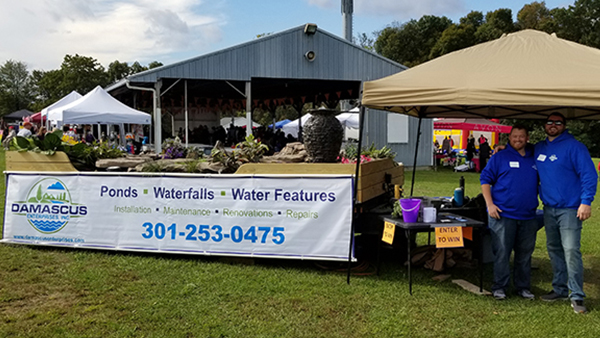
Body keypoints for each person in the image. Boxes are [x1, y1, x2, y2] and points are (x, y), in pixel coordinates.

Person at [535, 112, 597, 314]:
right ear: (545, 125)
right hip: (549, 208)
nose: (553, 125)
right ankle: (559, 289)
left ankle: (577, 296)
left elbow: (589, 175)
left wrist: (585, 202)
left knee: (570, 250)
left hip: (570, 209)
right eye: (550, 122)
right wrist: (503, 149)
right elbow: (521, 153)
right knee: (554, 249)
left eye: (557, 123)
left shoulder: (575, 146)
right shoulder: (539, 147)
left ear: (564, 125)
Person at [480, 126, 539, 300]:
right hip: (503, 215)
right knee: (502, 253)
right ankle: (500, 287)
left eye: (522, 136)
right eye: (515, 136)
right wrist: (489, 204)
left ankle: (522, 287)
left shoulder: (534, 155)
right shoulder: (500, 157)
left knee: (524, 254)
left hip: (528, 215)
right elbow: (485, 180)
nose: (518, 139)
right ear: (509, 137)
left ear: (527, 137)